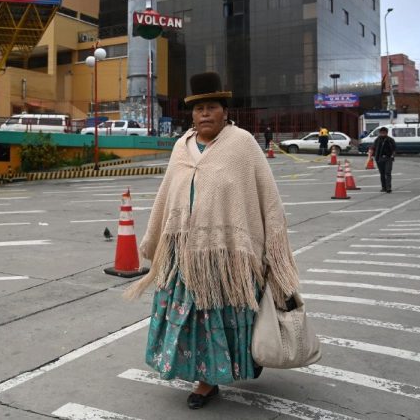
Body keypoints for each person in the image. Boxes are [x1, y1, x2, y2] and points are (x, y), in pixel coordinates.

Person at [125, 72, 300, 410]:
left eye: (212, 107)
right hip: (183, 254)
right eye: (199, 108)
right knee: (191, 318)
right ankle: (199, 375)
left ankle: (212, 378)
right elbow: (167, 196)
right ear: (191, 114)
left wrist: (272, 249)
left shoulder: (243, 144)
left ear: (225, 112)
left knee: (219, 315)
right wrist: (155, 239)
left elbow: (267, 197)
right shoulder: (182, 146)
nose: (205, 113)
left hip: (228, 257)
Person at [372, 127, 396, 193]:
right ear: (379, 133)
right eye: (381, 133)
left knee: (388, 173)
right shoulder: (377, 140)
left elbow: (394, 149)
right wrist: (371, 153)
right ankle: (384, 187)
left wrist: (392, 155)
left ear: (386, 133)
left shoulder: (390, 140)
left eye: (384, 133)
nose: (382, 134)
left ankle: (388, 187)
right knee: (382, 173)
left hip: (388, 158)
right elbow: (373, 147)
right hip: (379, 158)